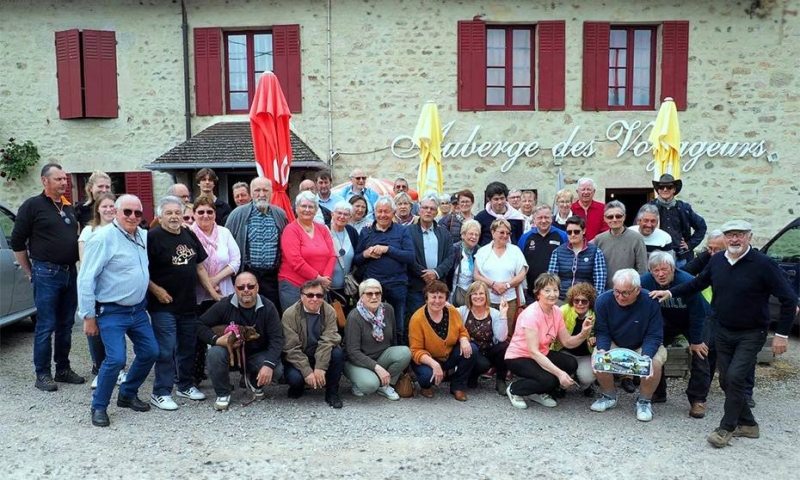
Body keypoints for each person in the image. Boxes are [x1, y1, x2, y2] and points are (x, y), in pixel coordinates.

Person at [650, 220, 797, 448]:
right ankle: (748, 424)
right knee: (727, 380)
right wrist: (670, 291)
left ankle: (726, 427)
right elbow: (697, 283)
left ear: (750, 236)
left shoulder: (764, 264)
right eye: (730, 235)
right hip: (722, 329)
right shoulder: (717, 260)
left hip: (752, 332)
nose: (734, 240)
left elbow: (788, 300)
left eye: (739, 235)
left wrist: (782, 335)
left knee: (735, 377)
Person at [77, 194, 159, 427]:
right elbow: (85, 279)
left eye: (137, 213)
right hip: (111, 310)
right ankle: (99, 406)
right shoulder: (103, 238)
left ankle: (127, 394)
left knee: (150, 351)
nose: (133, 217)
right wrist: (88, 316)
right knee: (115, 359)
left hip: (137, 310)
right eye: (127, 212)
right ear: (116, 212)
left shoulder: (142, 236)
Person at [10, 163, 85, 391]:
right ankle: (42, 374)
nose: (64, 182)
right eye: (58, 179)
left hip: (69, 272)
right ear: (45, 181)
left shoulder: (67, 208)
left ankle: (62, 369)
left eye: (65, 179)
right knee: (46, 325)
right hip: (46, 273)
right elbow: (17, 242)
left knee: (66, 323)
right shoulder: (32, 206)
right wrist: (30, 272)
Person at [147, 196, 221, 411]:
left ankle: (185, 385)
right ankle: (160, 392)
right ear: (160, 217)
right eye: (168, 213)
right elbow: (141, 270)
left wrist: (214, 296)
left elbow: (199, 268)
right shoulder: (153, 237)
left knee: (187, 347)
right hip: (163, 306)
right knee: (166, 349)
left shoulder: (188, 234)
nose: (174, 217)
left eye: (177, 213)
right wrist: (157, 290)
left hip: (188, 304)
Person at [684, 229, 756, 407]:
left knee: (744, 355)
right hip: (714, 312)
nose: (712, 253)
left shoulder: (752, 259)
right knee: (707, 350)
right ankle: (699, 396)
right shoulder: (710, 256)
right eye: (710, 249)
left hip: (743, 314)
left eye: (717, 249)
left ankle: (745, 393)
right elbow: (685, 274)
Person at [504, 273, 593, 410]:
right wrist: (559, 373)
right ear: (538, 293)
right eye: (547, 290)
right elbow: (533, 352)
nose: (552, 294)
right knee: (549, 380)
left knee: (570, 363)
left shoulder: (556, 311)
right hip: (519, 356)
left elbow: (567, 342)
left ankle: (537, 392)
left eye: (555, 290)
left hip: (541, 353)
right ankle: (514, 389)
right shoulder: (531, 314)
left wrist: (583, 333)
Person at [197, 272, 284, 411]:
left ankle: (254, 381)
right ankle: (223, 393)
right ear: (235, 289)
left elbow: (277, 338)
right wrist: (216, 339)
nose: (246, 290)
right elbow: (199, 324)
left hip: (257, 353)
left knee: (277, 370)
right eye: (241, 287)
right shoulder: (224, 305)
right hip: (228, 353)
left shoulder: (268, 307)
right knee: (214, 353)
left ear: (257, 288)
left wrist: (268, 365)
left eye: (250, 286)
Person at [591, 269, 667, 422]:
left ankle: (644, 401)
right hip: (615, 341)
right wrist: (602, 350)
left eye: (625, 293)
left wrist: (646, 355)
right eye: (617, 291)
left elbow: (654, 334)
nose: (620, 296)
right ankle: (609, 395)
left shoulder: (650, 301)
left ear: (637, 290)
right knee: (598, 359)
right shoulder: (603, 300)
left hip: (642, 342)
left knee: (654, 363)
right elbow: (602, 331)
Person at [640, 251, 710, 417]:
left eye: (665, 269)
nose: (661, 274)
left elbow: (697, 313)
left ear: (673, 269)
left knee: (700, 354)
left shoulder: (686, 281)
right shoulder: (645, 282)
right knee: (653, 349)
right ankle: (657, 391)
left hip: (695, 319)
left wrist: (696, 340)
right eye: (656, 270)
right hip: (665, 321)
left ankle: (697, 400)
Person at [190, 195, 241, 386]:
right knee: (197, 336)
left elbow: (235, 261)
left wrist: (215, 280)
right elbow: (191, 265)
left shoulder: (224, 233)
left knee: (223, 334)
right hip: (197, 295)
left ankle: (222, 376)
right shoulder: (188, 234)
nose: (205, 215)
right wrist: (206, 284)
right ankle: (194, 378)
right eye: (200, 212)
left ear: (215, 214)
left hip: (222, 294)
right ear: (194, 214)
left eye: (209, 211)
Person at [354, 196, 415, 342]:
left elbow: (410, 257)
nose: (382, 215)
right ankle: (374, 356)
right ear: (374, 212)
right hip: (372, 287)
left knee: (398, 325)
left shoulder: (402, 231)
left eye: (386, 211)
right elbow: (356, 259)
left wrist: (387, 249)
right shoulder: (366, 231)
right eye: (379, 211)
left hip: (397, 285)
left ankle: (399, 356)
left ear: (393, 212)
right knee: (369, 325)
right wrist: (366, 254)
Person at [225, 177, 290, 310]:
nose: (261, 194)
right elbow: (226, 244)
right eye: (257, 190)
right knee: (246, 310)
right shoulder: (237, 214)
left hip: (272, 276)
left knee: (271, 309)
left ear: (271, 192)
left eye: (265, 190)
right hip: (248, 273)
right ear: (251, 193)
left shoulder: (280, 214)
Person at [77, 192, 121, 389]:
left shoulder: (123, 230)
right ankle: (99, 368)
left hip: (116, 290)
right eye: (105, 206)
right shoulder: (89, 231)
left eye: (112, 206)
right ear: (97, 209)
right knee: (95, 331)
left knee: (115, 333)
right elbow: (86, 264)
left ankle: (117, 369)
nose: (109, 209)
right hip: (96, 288)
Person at [408, 281, 477, 401]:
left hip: (448, 356)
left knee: (472, 349)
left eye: (441, 297)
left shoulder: (452, 312)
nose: (437, 301)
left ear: (446, 298)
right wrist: (434, 364)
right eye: (433, 297)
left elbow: (462, 330)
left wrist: (464, 339)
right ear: (426, 298)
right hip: (427, 359)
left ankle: (457, 386)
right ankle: (426, 386)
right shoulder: (417, 319)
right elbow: (415, 351)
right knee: (427, 376)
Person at [343, 279, 412, 400]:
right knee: (370, 385)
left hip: (381, 357)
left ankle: (385, 385)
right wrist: (377, 368)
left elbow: (393, 340)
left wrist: (397, 367)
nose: (374, 297)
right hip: (358, 361)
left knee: (405, 352)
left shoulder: (388, 309)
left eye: (378, 293)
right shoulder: (354, 317)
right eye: (369, 294)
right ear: (361, 296)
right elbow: (352, 352)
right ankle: (364, 383)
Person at [282, 280, 345, 408]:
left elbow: (329, 340)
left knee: (337, 353)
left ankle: (332, 392)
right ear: (302, 296)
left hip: (322, 353)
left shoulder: (329, 311)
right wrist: (307, 371)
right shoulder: (289, 314)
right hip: (300, 355)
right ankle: (298, 387)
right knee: (295, 379)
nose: (315, 299)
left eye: (319, 295)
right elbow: (291, 348)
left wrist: (320, 367)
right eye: (310, 295)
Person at [277, 191, 335, 310]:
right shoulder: (290, 230)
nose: (307, 209)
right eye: (303, 206)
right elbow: (295, 261)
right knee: (296, 324)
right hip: (294, 286)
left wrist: (326, 278)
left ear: (316, 210)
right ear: (296, 208)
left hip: (319, 287)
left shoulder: (323, 229)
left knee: (319, 323)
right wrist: (318, 278)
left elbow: (332, 255)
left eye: (311, 206)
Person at [474, 219, 528, 333]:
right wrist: (494, 285)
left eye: (508, 233)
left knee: (506, 333)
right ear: (493, 232)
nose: (505, 236)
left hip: (509, 300)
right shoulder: (482, 252)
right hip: (487, 299)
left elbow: (522, 274)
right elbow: (476, 275)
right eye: (502, 232)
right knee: (486, 332)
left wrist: (506, 285)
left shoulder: (515, 251)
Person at [406, 193, 455, 316]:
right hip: (416, 286)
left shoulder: (444, 233)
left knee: (438, 320)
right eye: (425, 207)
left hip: (439, 287)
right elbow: (407, 257)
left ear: (436, 212)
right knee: (418, 320)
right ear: (419, 209)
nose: (428, 211)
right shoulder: (408, 232)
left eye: (432, 209)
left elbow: (450, 256)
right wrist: (424, 274)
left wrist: (436, 272)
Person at [457, 281, 509, 394]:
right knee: (481, 363)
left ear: (486, 296)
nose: (478, 296)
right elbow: (449, 311)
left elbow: (501, 337)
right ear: (469, 296)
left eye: (481, 293)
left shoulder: (494, 313)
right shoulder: (462, 311)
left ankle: (501, 380)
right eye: (474, 294)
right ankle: (471, 375)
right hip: (470, 351)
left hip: (488, 350)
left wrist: (503, 314)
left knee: (504, 346)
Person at [648, 174, 707, 265]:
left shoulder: (684, 208)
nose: (665, 189)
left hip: (679, 256)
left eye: (669, 187)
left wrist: (690, 244)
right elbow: (638, 229)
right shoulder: (649, 208)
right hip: (656, 254)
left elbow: (701, 226)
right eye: (661, 187)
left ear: (674, 189)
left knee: (683, 279)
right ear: (658, 190)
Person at [548, 215, 607, 300]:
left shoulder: (596, 252)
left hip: (585, 300)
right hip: (562, 299)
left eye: (576, 232)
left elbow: (600, 282)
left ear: (583, 231)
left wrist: (594, 301)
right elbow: (551, 279)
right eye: (569, 232)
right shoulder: (557, 252)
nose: (572, 235)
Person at [592, 200, 648, 290]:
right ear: (605, 219)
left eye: (618, 216)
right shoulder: (599, 239)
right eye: (610, 217)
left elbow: (642, 269)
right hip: (605, 291)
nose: (614, 219)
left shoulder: (636, 239)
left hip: (628, 292)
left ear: (624, 217)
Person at [555, 283, 598, 396]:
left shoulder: (596, 314)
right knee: (561, 373)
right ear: (571, 300)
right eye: (576, 300)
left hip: (585, 355)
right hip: (565, 352)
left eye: (584, 301)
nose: (579, 304)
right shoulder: (563, 311)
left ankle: (586, 386)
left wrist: (595, 338)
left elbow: (603, 333)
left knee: (587, 378)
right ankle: (562, 386)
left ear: (590, 302)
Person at [518, 204, 567, 301]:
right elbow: (519, 264)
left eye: (546, 217)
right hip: (532, 293)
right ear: (534, 219)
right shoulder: (525, 238)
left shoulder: (563, 236)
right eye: (540, 218)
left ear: (552, 218)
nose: (543, 221)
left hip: (556, 293)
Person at [327, 200, 360, 307]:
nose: (342, 216)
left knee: (344, 318)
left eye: (346, 214)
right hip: (327, 287)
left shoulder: (352, 232)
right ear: (332, 214)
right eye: (339, 213)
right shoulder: (324, 230)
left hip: (347, 287)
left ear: (350, 217)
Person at [475, 181, 525, 245]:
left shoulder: (516, 217)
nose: (500, 202)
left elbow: (519, 238)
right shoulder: (481, 217)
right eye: (496, 199)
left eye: (502, 198)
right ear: (489, 199)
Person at [448, 219, 481, 307]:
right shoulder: (454, 249)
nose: (473, 237)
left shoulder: (480, 252)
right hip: (454, 295)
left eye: (476, 235)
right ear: (463, 235)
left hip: (474, 297)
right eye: (471, 234)